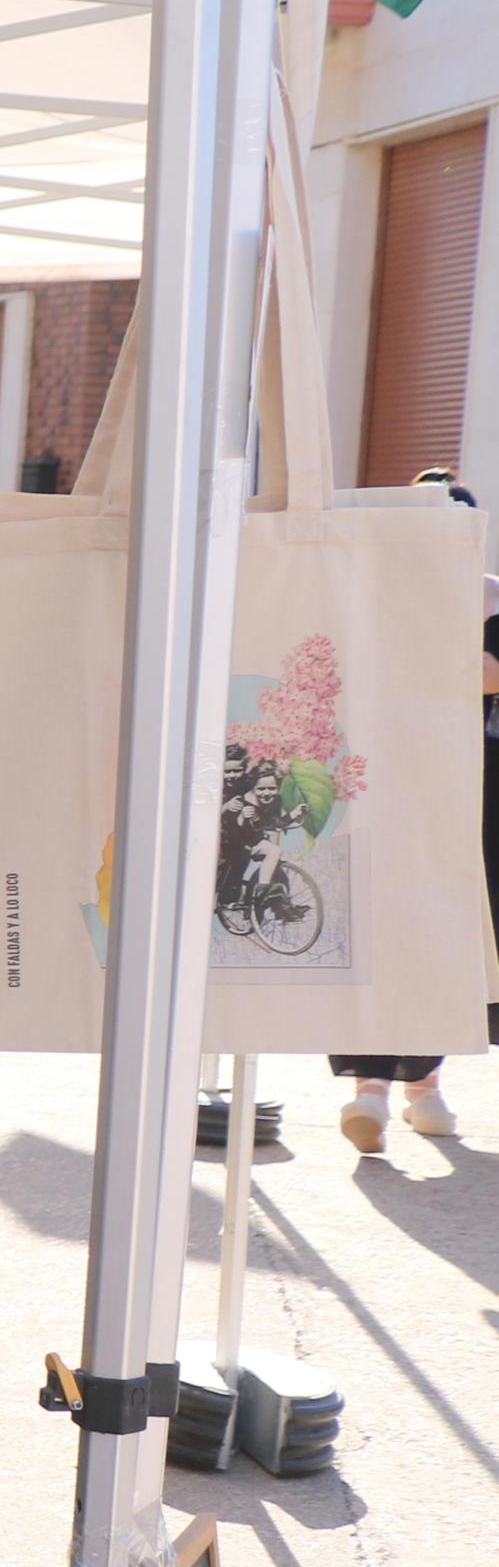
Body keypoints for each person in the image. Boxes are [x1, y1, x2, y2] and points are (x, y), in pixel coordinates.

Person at [325, 467, 494, 1150]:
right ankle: (414, 1090)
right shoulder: (480, 599)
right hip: (445, 791)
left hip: (401, 785)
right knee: (428, 931)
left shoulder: (371, 600)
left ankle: (388, 1089)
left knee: (392, 926)